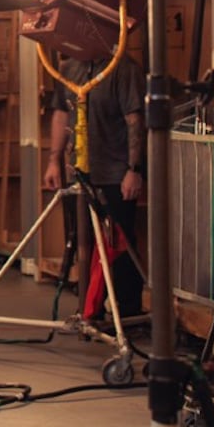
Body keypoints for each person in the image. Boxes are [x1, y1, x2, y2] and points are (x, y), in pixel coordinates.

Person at [41, 50, 145, 316]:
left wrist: (134, 169)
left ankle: (127, 309)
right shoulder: (68, 68)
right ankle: (91, 307)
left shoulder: (123, 69)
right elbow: (62, 114)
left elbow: (134, 120)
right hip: (81, 172)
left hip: (116, 172)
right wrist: (54, 160)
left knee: (119, 243)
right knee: (83, 240)